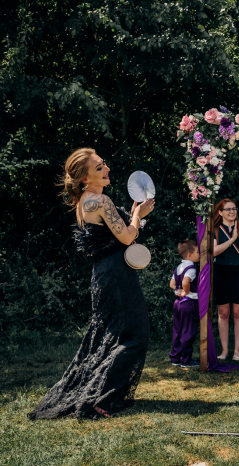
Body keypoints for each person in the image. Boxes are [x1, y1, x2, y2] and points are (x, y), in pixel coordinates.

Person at [28, 148, 155, 420]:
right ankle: (103, 399)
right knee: (136, 335)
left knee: (111, 335)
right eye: (98, 167)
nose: (106, 168)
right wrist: (138, 215)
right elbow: (126, 238)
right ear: (85, 178)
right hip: (117, 275)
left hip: (104, 274)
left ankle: (100, 394)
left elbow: (117, 235)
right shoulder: (100, 201)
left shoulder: (85, 201)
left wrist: (134, 217)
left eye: (104, 164)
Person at [212, 199, 239, 361]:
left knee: (237, 312)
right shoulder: (214, 229)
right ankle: (224, 351)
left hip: (238, 271)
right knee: (223, 313)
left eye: (234, 209)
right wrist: (232, 239)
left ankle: (237, 351)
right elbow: (213, 252)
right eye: (228, 209)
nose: (231, 212)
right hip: (220, 271)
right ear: (220, 212)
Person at [169, 239, 200, 369]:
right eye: (198, 252)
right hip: (188, 303)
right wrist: (186, 291)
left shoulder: (179, 267)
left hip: (178, 303)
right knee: (188, 331)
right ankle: (185, 360)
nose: (200, 254)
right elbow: (186, 281)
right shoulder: (191, 268)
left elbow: (171, 284)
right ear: (190, 255)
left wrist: (178, 291)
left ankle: (175, 358)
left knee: (178, 330)